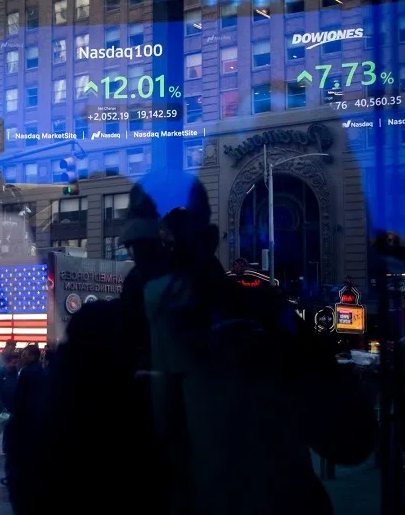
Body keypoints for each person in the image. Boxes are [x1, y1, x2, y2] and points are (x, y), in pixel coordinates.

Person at [136, 170, 376, 514]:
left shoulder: (266, 319)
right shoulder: (140, 332)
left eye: (173, 245)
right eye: (158, 248)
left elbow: (352, 439)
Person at [5, 344, 48, 512]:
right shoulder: (41, 371)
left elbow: (20, 396)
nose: (21, 356)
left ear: (32, 356)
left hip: (25, 418)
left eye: (24, 354)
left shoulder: (27, 373)